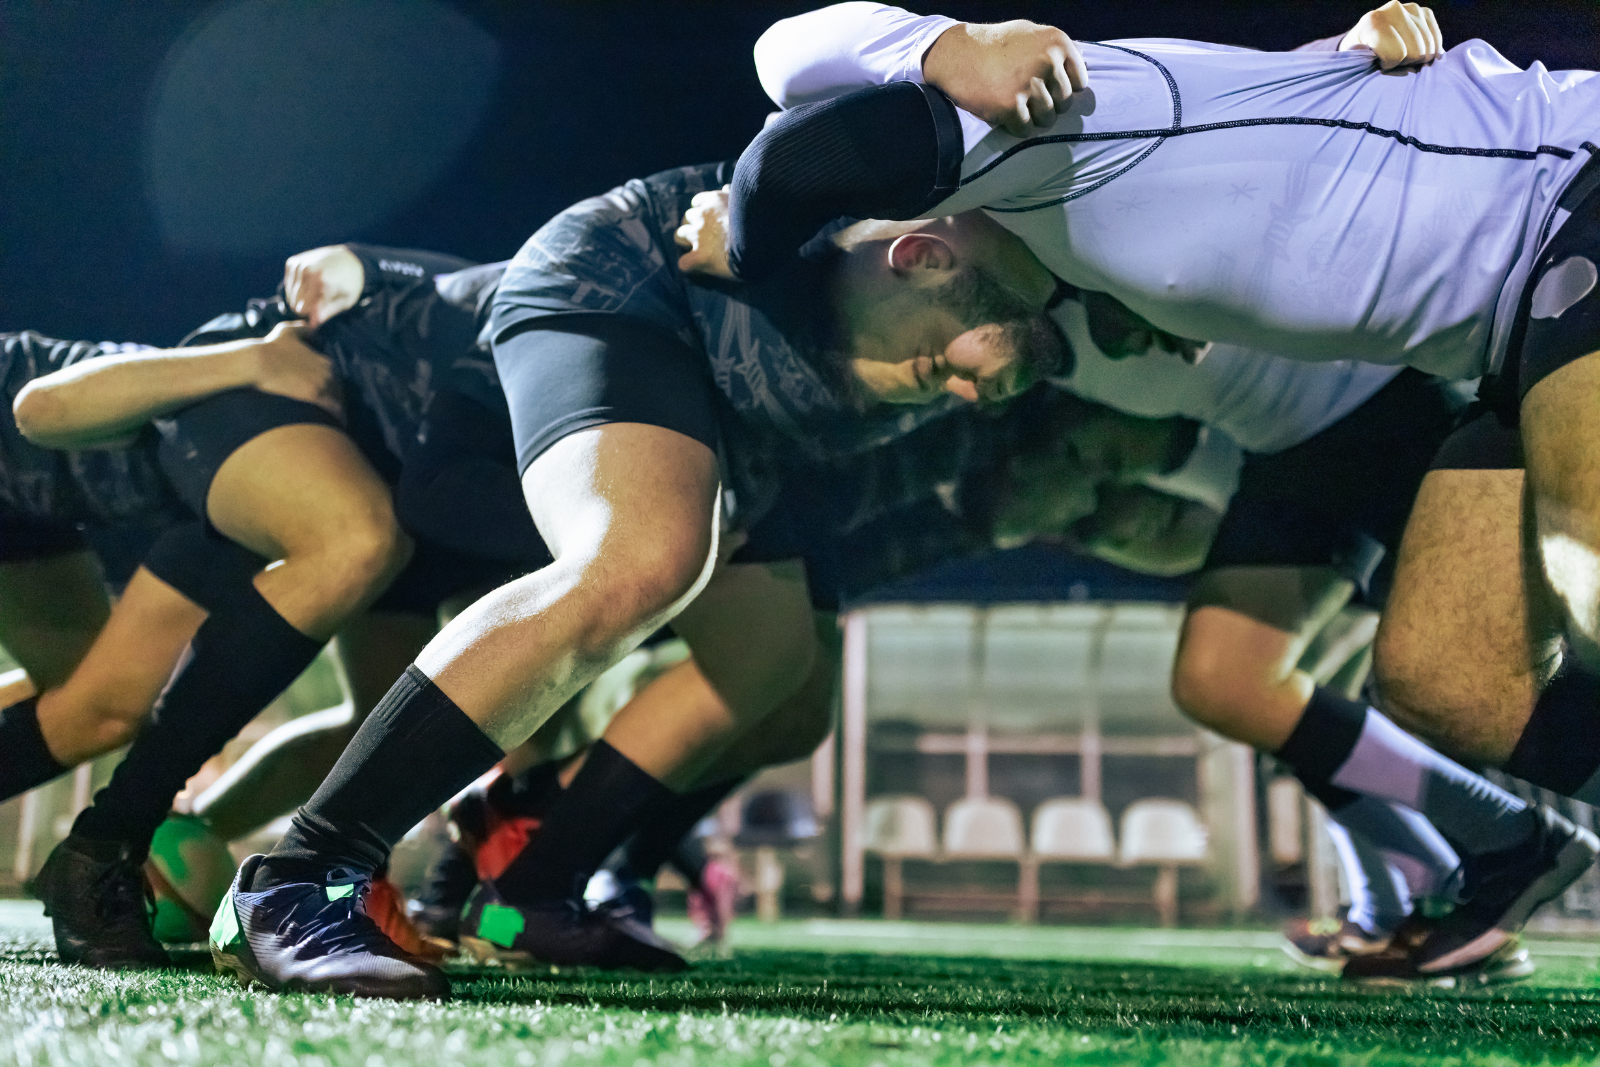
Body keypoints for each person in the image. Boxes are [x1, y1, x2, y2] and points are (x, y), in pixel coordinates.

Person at [725, 0, 1600, 979]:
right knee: (1436, 682)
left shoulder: (1029, 144)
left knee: (1584, 584)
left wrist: (935, 54)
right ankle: (1479, 853)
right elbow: (1268, 122)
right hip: (1472, 353)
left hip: (1537, 238)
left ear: (923, 256)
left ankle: (1414, 879)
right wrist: (1338, 58)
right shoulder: (1071, 283)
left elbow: (790, 73)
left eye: (936, 366)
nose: (967, 397)